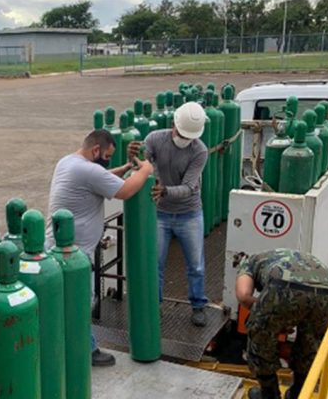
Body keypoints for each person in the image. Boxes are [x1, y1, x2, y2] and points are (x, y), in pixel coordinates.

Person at [45, 129, 153, 366]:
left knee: (66, 302)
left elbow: (100, 180)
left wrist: (124, 169)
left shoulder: (69, 162)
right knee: (80, 302)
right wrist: (145, 171)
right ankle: (86, 350)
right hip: (73, 253)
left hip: (57, 247)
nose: (106, 160)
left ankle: (69, 346)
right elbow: (124, 191)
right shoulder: (88, 170)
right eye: (106, 155)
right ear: (96, 150)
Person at [128, 101, 209, 327]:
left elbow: (189, 187)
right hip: (160, 214)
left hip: (189, 213)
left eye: (189, 136)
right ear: (173, 123)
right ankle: (155, 304)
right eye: (182, 133)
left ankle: (198, 305)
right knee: (156, 263)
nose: (184, 139)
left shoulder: (199, 151)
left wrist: (164, 191)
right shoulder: (155, 139)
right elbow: (141, 166)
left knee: (196, 265)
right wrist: (132, 155)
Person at [235, 249, 328, 399]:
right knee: (310, 343)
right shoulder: (282, 256)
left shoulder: (249, 263)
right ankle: (298, 393)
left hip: (285, 286)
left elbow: (244, 296)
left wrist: (272, 318)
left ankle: (269, 395)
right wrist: (284, 318)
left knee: (260, 337)